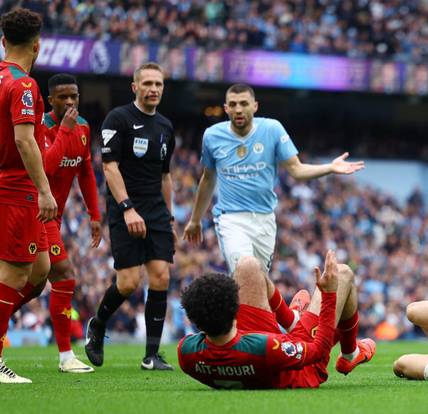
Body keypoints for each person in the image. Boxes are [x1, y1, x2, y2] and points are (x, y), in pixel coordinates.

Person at [183, 83, 364, 273]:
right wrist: (195, 220)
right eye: (233, 104)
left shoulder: (272, 129)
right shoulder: (212, 136)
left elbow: (296, 169)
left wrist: (330, 168)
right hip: (231, 218)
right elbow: (208, 178)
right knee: (245, 272)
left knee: (260, 283)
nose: (238, 109)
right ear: (226, 108)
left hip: (264, 219)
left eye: (244, 103)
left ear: (255, 106)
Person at [85, 62, 176, 371]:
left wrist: (171, 218)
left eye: (158, 84)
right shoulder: (119, 119)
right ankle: (98, 324)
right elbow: (109, 168)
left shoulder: (165, 126)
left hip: (157, 211)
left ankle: (151, 355)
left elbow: (166, 177)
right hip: (126, 209)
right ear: (135, 87)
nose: (153, 89)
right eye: (147, 83)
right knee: (128, 282)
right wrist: (127, 209)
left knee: (161, 276)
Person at [177, 251, 376, 389]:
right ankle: (350, 354)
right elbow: (319, 351)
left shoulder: (186, 352)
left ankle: (293, 320)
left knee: (247, 266)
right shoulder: (265, 346)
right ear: (234, 310)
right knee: (342, 274)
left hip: (257, 355)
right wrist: (329, 294)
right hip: (297, 369)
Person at [10, 73, 101, 373]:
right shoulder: (42, 127)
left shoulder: (85, 127)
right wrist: (63, 131)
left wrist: (95, 216)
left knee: (34, 286)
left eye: (74, 96)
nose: (71, 102)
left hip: (56, 216)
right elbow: (47, 167)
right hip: (36, 210)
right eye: (63, 97)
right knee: (64, 274)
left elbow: (86, 172)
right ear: (51, 100)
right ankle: (65, 357)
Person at [0, 8, 57, 384]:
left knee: (40, 269)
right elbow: (24, 140)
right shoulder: (23, 86)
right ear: (37, 46)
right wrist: (44, 190)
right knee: (15, 272)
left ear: (4, 41)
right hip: (16, 187)